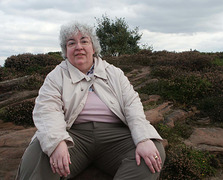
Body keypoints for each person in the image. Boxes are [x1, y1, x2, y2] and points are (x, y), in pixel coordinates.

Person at [16, 21, 166, 180]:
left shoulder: (114, 73)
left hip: (115, 138)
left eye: (84, 41)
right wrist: (57, 142)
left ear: (93, 48)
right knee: (40, 151)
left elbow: (132, 106)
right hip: (73, 137)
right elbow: (47, 110)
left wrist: (142, 138)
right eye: (71, 43)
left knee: (153, 152)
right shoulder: (56, 76)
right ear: (66, 51)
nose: (78, 46)